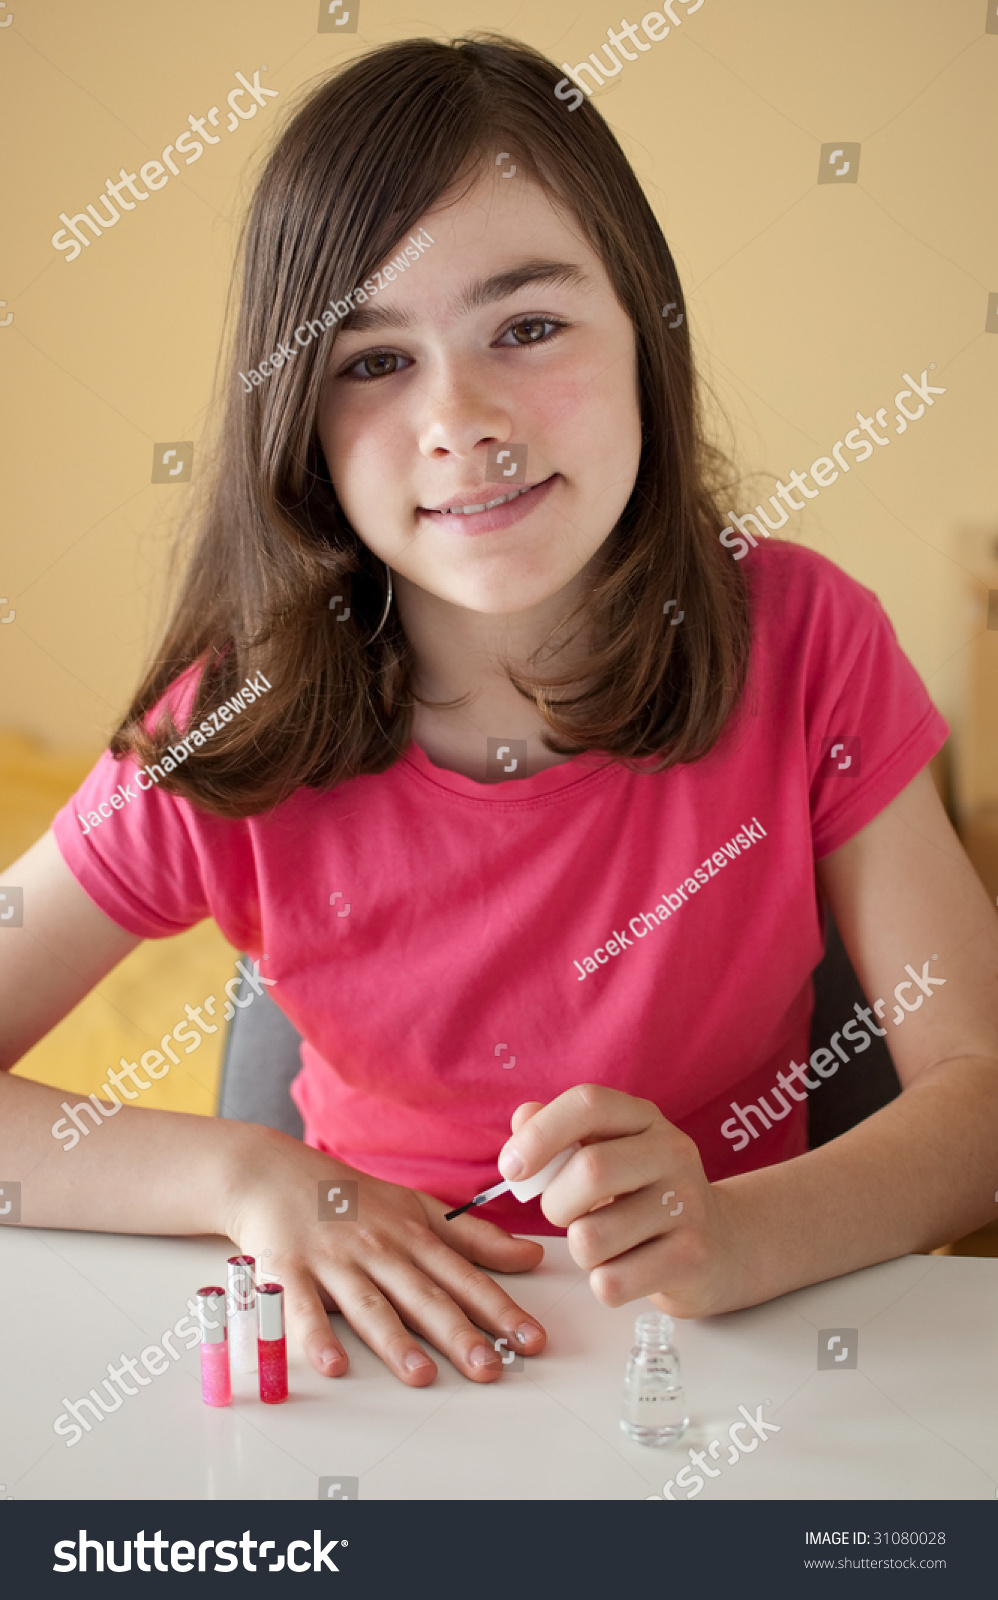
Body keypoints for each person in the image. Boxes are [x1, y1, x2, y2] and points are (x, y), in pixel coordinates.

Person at [2, 34, 996, 1392]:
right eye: (370, 363)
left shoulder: (808, 638)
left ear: (645, 333)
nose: (459, 420)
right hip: (380, 1380)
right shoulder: (229, 720)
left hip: (729, 1365)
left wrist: (731, 1231)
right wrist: (242, 1173)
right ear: (292, 416)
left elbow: (980, 1086)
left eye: (525, 328)